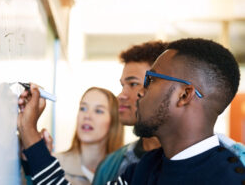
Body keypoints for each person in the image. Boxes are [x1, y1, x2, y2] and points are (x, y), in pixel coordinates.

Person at [17, 38, 245, 184]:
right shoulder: (144, 169)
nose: (140, 94)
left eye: (150, 80)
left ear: (184, 95)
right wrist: (29, 133)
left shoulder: (231, 178)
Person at [93, 41, 168, 185]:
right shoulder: (110, 166)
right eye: (122, 86)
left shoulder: (195, 162)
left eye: (133, 84)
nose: (121, 95)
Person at [20, 87, 124, 185]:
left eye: (98, 111)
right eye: (83, 108)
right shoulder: (52, 164)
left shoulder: (123, 171)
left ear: (114, 121)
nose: (87, 116)